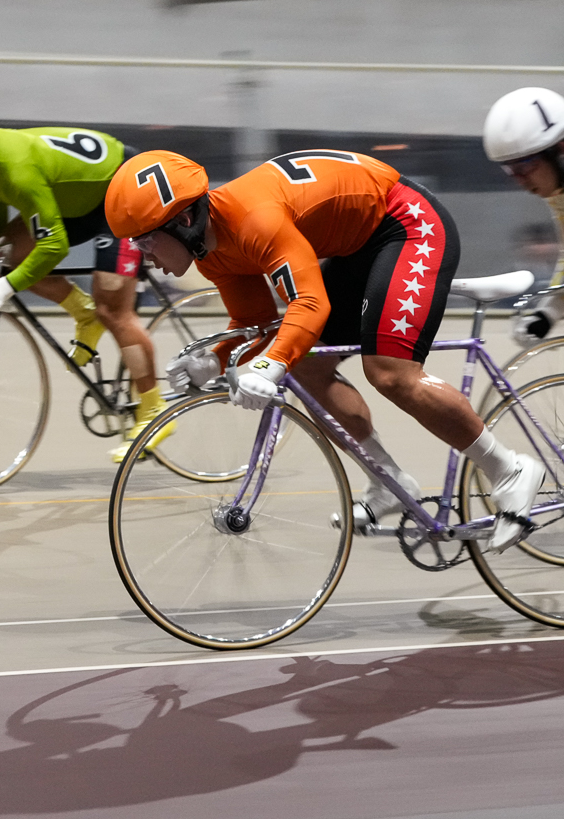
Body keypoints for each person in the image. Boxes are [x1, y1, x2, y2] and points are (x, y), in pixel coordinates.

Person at [107, 149, 541, 549]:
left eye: (144, 241)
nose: (143, 256)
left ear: (183, 221)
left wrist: (270, 363)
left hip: (408, 223)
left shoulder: (255, 220)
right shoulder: (212, 253)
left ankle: (510, 469)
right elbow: (255, 326)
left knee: (390, 372)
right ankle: (389, 482)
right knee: (307, 368)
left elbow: (310, 303)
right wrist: (213, 360)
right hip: (361, 244)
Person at [0, 100, 164, 462]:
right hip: (81, 201)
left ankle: (153, 412)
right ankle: (83, 312)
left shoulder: (15, 169)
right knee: (8, 254)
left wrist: (3, 288)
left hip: (125, 192)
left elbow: (54, 245)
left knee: (115, 311)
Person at [483, 87, 564, 343]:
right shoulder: (559, 196)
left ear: (560, 151)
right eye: (510, 170)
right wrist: (548, 313)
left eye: (526, 165)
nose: (519, 180)